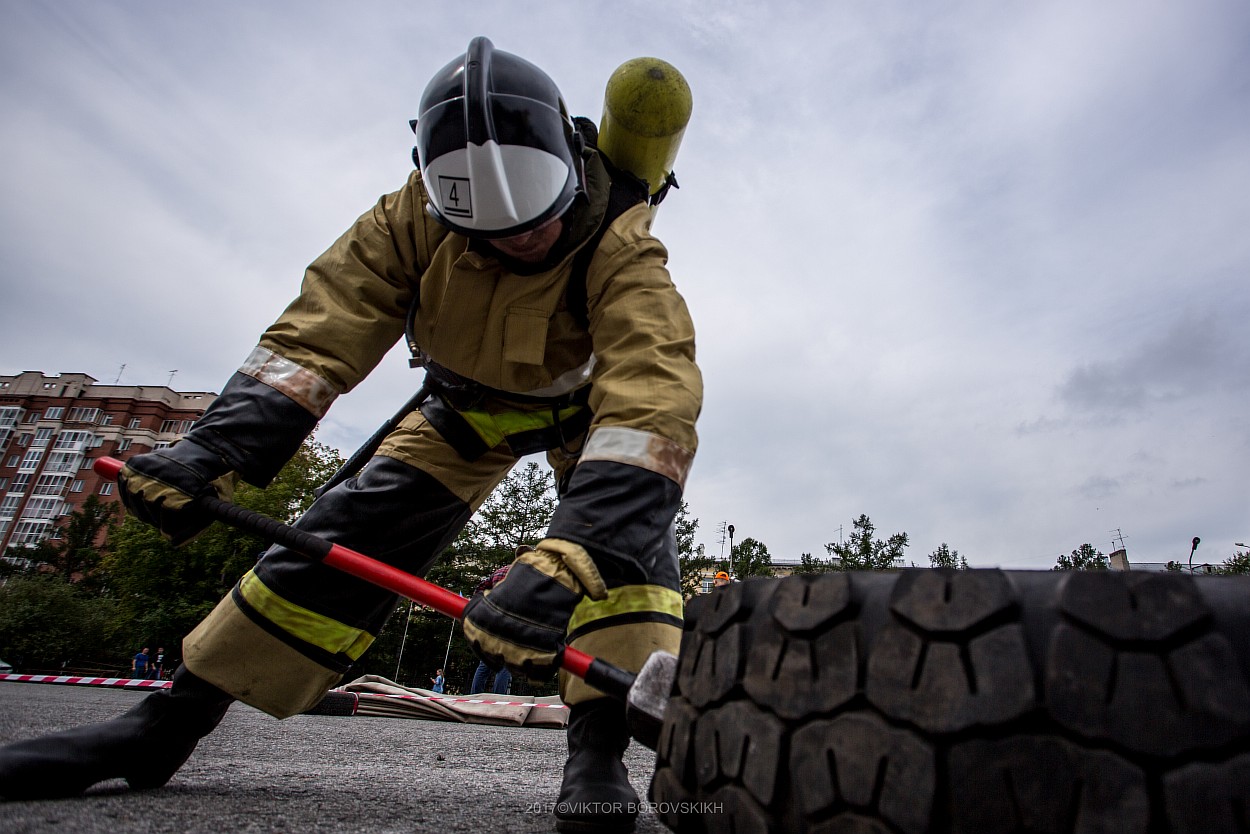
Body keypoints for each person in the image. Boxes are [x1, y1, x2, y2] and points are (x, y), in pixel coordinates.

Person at [0, 36, 700, 834]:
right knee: (339, 537)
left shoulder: (621, 237)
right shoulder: (409, 216)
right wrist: (214, 448)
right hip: (464, 409)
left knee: (626, 567)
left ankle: (597, 757)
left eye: (536, 217)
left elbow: (651, 396)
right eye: (493, 230)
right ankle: (161, 731)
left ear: (568, 169)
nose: (519, 240)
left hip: (587, 418)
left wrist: (573, 554)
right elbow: (317, 335)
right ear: (440, 195)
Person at [468, 546, 532, 696]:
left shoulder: (500, 571)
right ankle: (499, 699)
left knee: (485, 662)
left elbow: (480, 588)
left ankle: (473, 697)